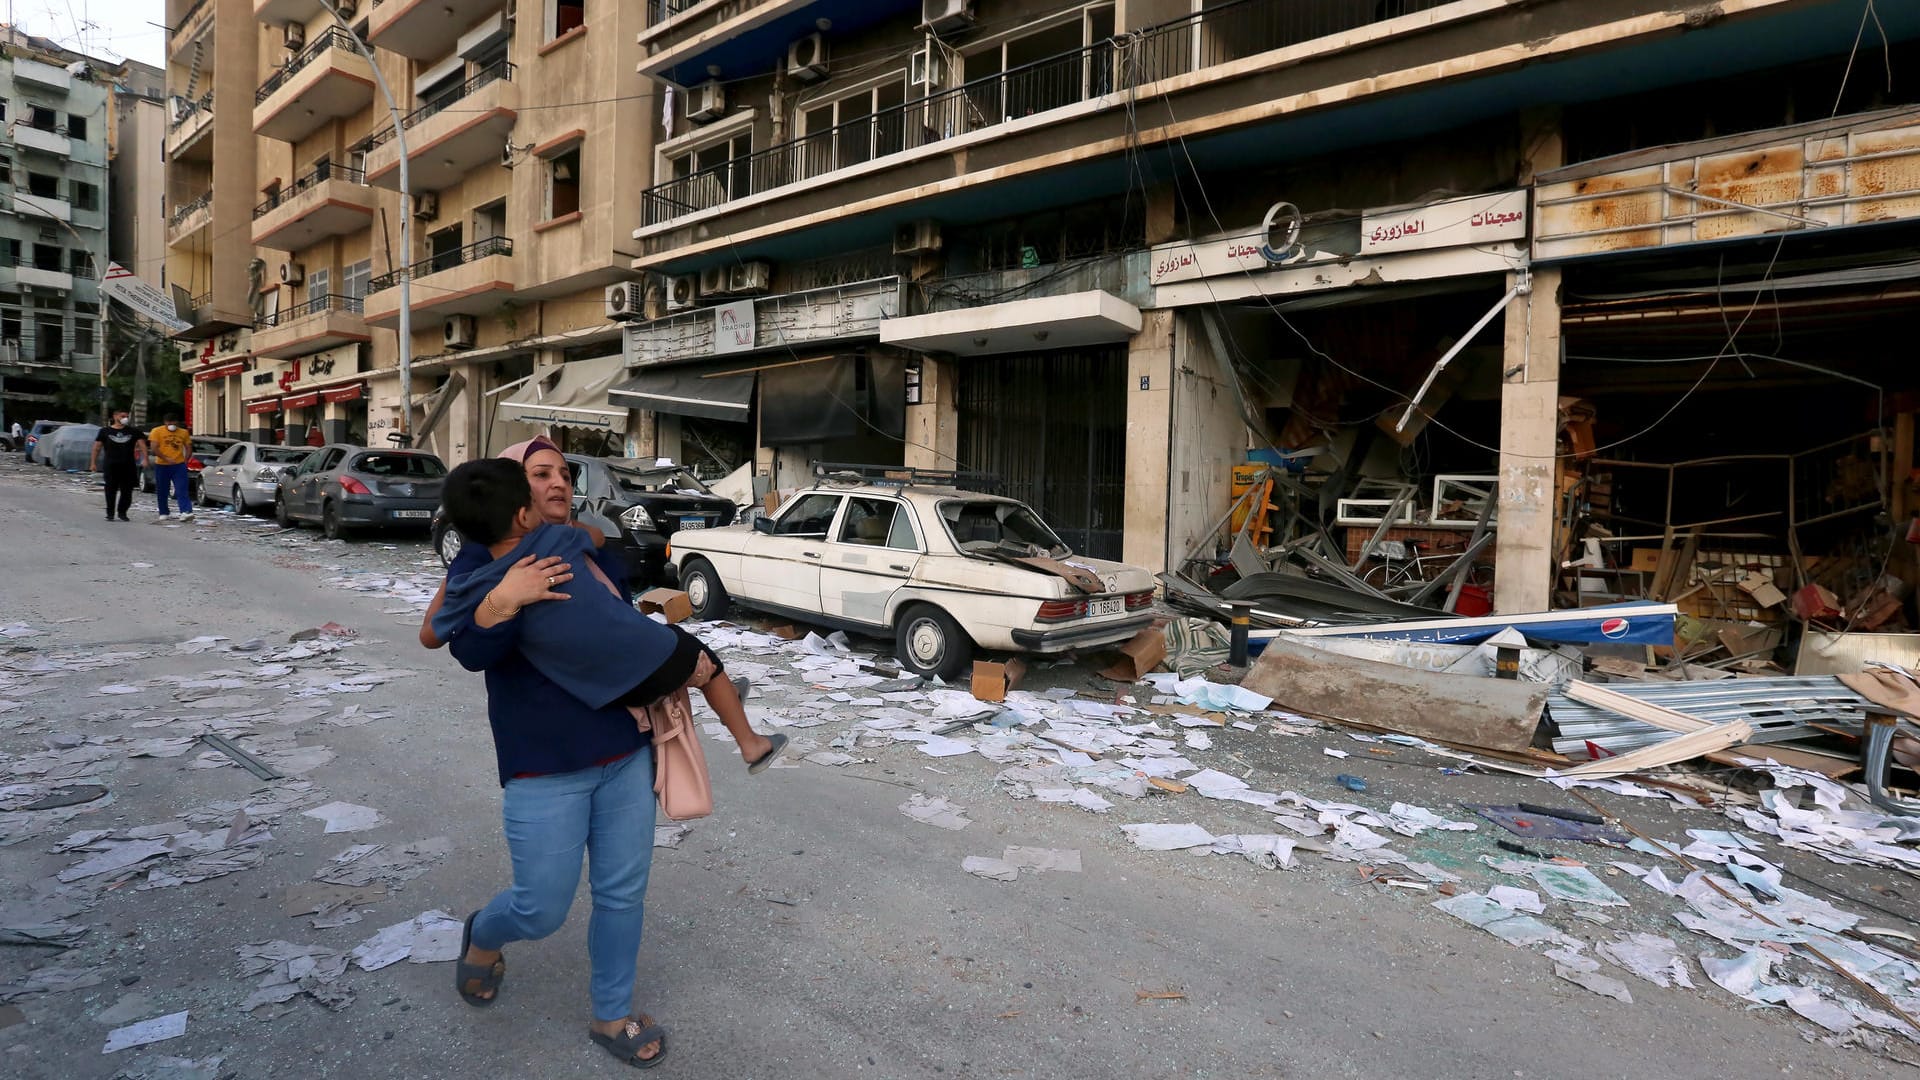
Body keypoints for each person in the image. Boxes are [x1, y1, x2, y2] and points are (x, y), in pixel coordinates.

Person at [432, 459, 789, 769]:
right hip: (642, 665)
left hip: (600, 691)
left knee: (673, 661)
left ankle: (717, 694)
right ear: (525, 514)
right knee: (706, 661)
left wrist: (493, 598)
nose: (558, 484)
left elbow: (433, 632)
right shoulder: (558, 540)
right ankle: (751, 745)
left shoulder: (473, 582)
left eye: (565, 476)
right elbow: (598, 539)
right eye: (539, 479)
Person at [89, 408, 146, 522]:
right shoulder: (105, 431)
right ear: (115, 417)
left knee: (127, 490)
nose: (125, 418)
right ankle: (110, 513)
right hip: (111, 465)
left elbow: (142, 445)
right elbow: (97, 448)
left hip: (128, 465)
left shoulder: (133, 431)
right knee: (110, 489)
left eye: (126, 416)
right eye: (122, 416)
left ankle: (122, 512)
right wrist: (93, 463)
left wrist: (145, 459)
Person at [147, 413, 194, 523]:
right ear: (165, 422)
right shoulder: (157, 431)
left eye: (173, 422)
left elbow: (188, 447)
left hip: (178, 465)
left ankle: (186, 511)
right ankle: (163, 512)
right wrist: (166, 458)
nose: (171, 425)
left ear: (177, 422)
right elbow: (154, 448)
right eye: (169, 422)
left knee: (182, 488)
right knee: (162, 489)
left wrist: (186, 460)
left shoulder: (183, 432)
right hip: (162, 465)